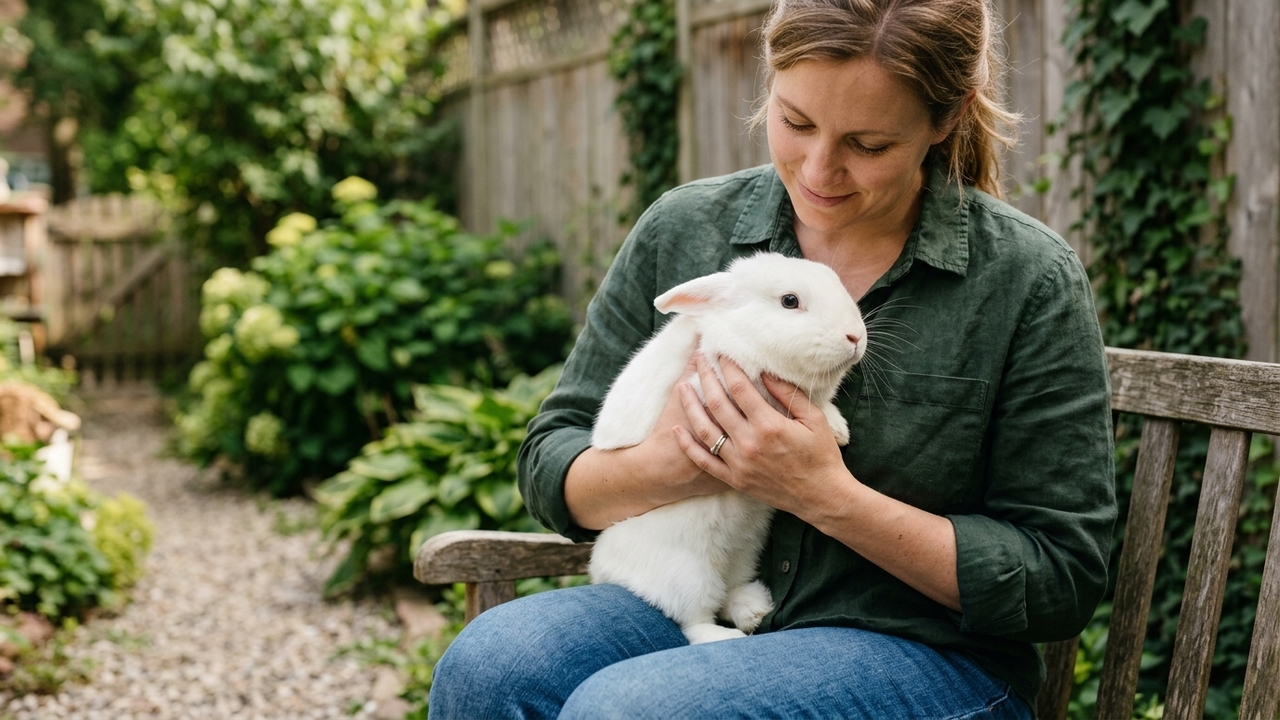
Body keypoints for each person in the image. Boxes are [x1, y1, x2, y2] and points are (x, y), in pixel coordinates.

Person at [428, 0, 1116, 716]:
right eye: (796, 122)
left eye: (869, 144)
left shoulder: (1026, 281)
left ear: (945, 120)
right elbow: (549, 460)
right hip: (696, 599)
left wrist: (824, 493)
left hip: (923, 650)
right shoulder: (687, 229)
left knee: (632, 710)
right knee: (488, 668)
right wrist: (672, 462)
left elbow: (1059, 577)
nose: (820, 168)